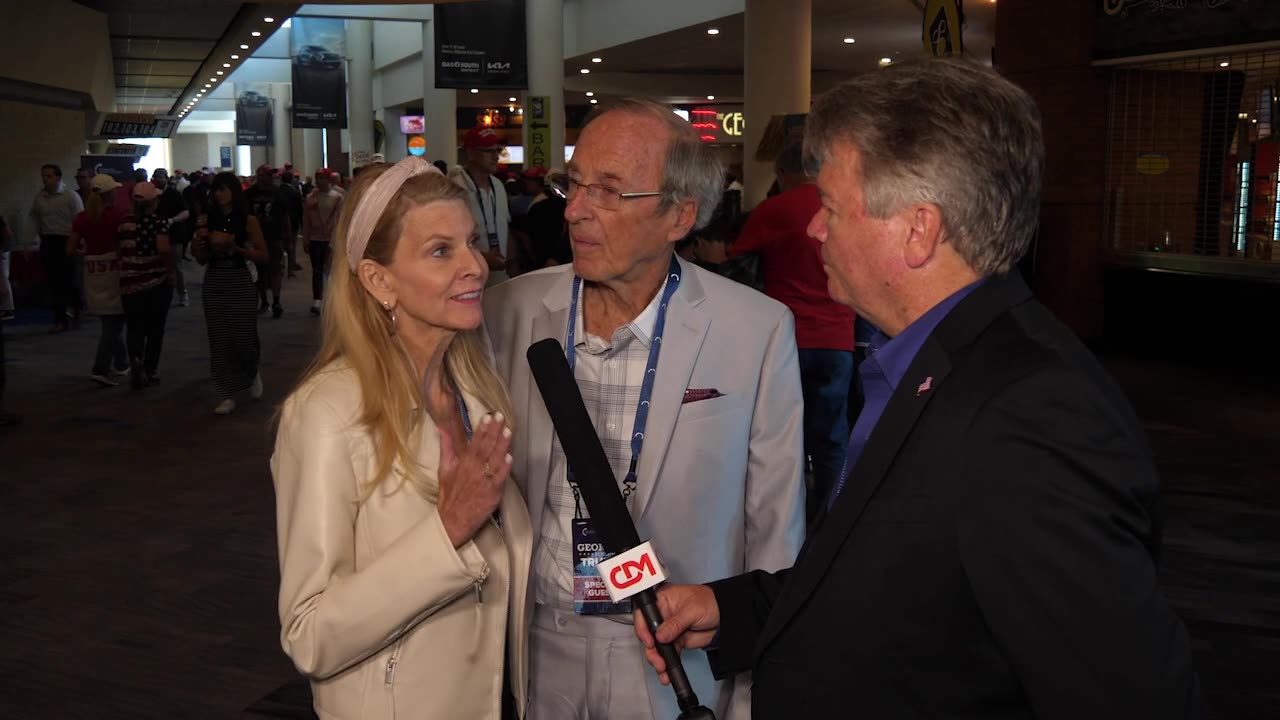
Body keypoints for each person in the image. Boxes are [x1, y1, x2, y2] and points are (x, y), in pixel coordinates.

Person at [635, 59, 1206, 719]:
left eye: (830, 206)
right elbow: (906, 584)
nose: (815, 229)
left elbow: (1128, 694)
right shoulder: (920, 360)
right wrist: (731, 610)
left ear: (918, 230)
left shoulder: (1031, 416)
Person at [483, 98, 806, 720]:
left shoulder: (754, 330)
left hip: (675, 658)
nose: (575, 211)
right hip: (538, 644)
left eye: (608, 192)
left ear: (679, 215)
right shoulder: (509, 313)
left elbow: (775, 530)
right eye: (573, 185)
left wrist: (750, 695)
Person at [272, 158, 532, 720]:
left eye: (472, 242)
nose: (476, 266)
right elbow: (309, 633)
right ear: (378, 279)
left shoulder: (475, 390)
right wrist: (446, 533)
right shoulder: (328, 414)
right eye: (441, 251)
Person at [730, 139, 856, 521]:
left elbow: (739, 262)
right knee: (833, 438)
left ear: (782, 174)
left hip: (787, 340)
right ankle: (834, 518)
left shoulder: (774, 209)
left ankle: (790, 521)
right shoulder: (842, 206)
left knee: (785, 439)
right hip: (838, 337)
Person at [192, 172, 268, 415]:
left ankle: (251, 370)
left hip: (240, 279)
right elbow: (201, 258)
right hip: (215, 280)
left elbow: (263, 254)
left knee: (243, 336)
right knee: (219, 339)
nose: (219, 194)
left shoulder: (248, 221)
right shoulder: (206, 220)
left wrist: (235, 248)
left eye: (224, 189)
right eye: (216, 190)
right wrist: (200, 247)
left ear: (234, 191)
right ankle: (226, 392)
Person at [68, 174, 129, 386]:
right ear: (110, 193)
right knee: (114, 322)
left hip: (93, 271)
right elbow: (124, 246)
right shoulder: (119, 216)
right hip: (114, 270)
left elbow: (70, 249)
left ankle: (122, 363)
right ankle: (101, 368)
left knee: (108, 321)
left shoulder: (82, 218)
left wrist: (86, 251)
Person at [119, 181, 175, 388]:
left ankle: (135, 359)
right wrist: (170, 270)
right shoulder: (158, 222)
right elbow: (163, 249)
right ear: (153, 202)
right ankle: (150, 370)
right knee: (155, 329)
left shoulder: (123, 222)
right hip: (155, 283)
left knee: (134, 327)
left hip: (129, 283)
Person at [451, 127, 511, 285]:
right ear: (471, 153)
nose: (495, 157)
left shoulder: (498, 186)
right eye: (488, 151)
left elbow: (506, 226)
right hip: (469, 278)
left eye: (497, 151)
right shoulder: (455, 187)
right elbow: (449, 239)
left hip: (500, 277)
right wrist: (482, 257)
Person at [30, 163, 84, 332]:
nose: (45, 179)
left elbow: (80, 220)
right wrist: (32, 241)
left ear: (58, 177)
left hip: (67, 240)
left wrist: (80, 243)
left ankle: (75, 312)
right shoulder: (40, 198)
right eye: (43, 176)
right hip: (48, 241)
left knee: (69, 280)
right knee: (53, 283)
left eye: (49, 176)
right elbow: (35, 220)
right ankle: (59, 319)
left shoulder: (70, 196)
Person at [245, 164, 292, 317]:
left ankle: (276, 301)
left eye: (271, 175)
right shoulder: (250, 194)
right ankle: (264, 300)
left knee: (275, 269)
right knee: (259, 271)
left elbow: (285, 216)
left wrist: (287, 236)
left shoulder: (278, 193)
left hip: (274, 236)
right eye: (266, 175)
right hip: (257, 238)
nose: (270, 178)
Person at [300, 168, 344, 315]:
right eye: (317, 178)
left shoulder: (337, 197)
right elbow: (306, 220)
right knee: (317, 270)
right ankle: (317, 299)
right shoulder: (310, 198)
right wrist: (305, 238)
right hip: (315, 238)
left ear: (328, 179)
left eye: (322, 178)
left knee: (331, 271)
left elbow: (341, 220)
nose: (319, 181)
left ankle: (333, 300)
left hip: (331, 239)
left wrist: (338, 239)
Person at [152, 168, 191, 307]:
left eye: (161, 177)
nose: (158, 180)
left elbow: (186, 212)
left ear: (166, 178)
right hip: (157, 235)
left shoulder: (174, 194)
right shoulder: (152, 194)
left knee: (177, 266)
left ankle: (182, 293)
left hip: (174, 235)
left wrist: (172, 220)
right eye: (156, 177)